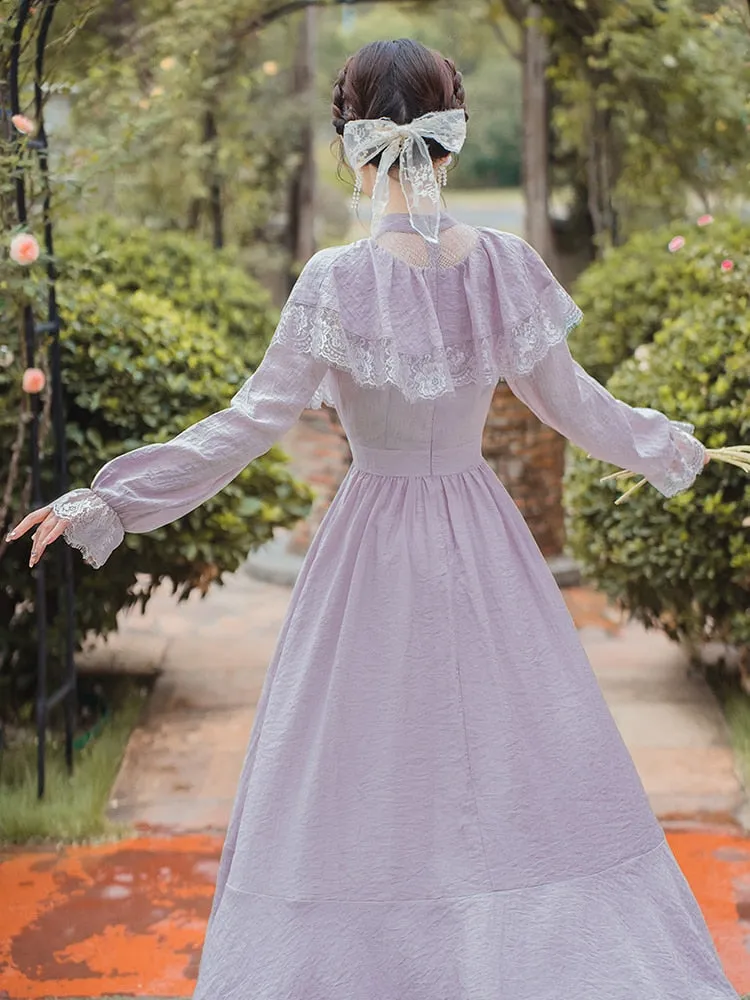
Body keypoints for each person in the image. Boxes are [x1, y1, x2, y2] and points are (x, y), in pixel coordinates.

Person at [7, 38, 732, 1000]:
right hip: (483, 539)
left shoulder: (335, 280)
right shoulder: (502, 267)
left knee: (358, 774)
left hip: (369, 550)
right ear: (451, 135)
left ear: (351, 139)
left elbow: (251, 421)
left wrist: (114, 496)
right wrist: (680, 446)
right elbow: (581, 408)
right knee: (505, 769)